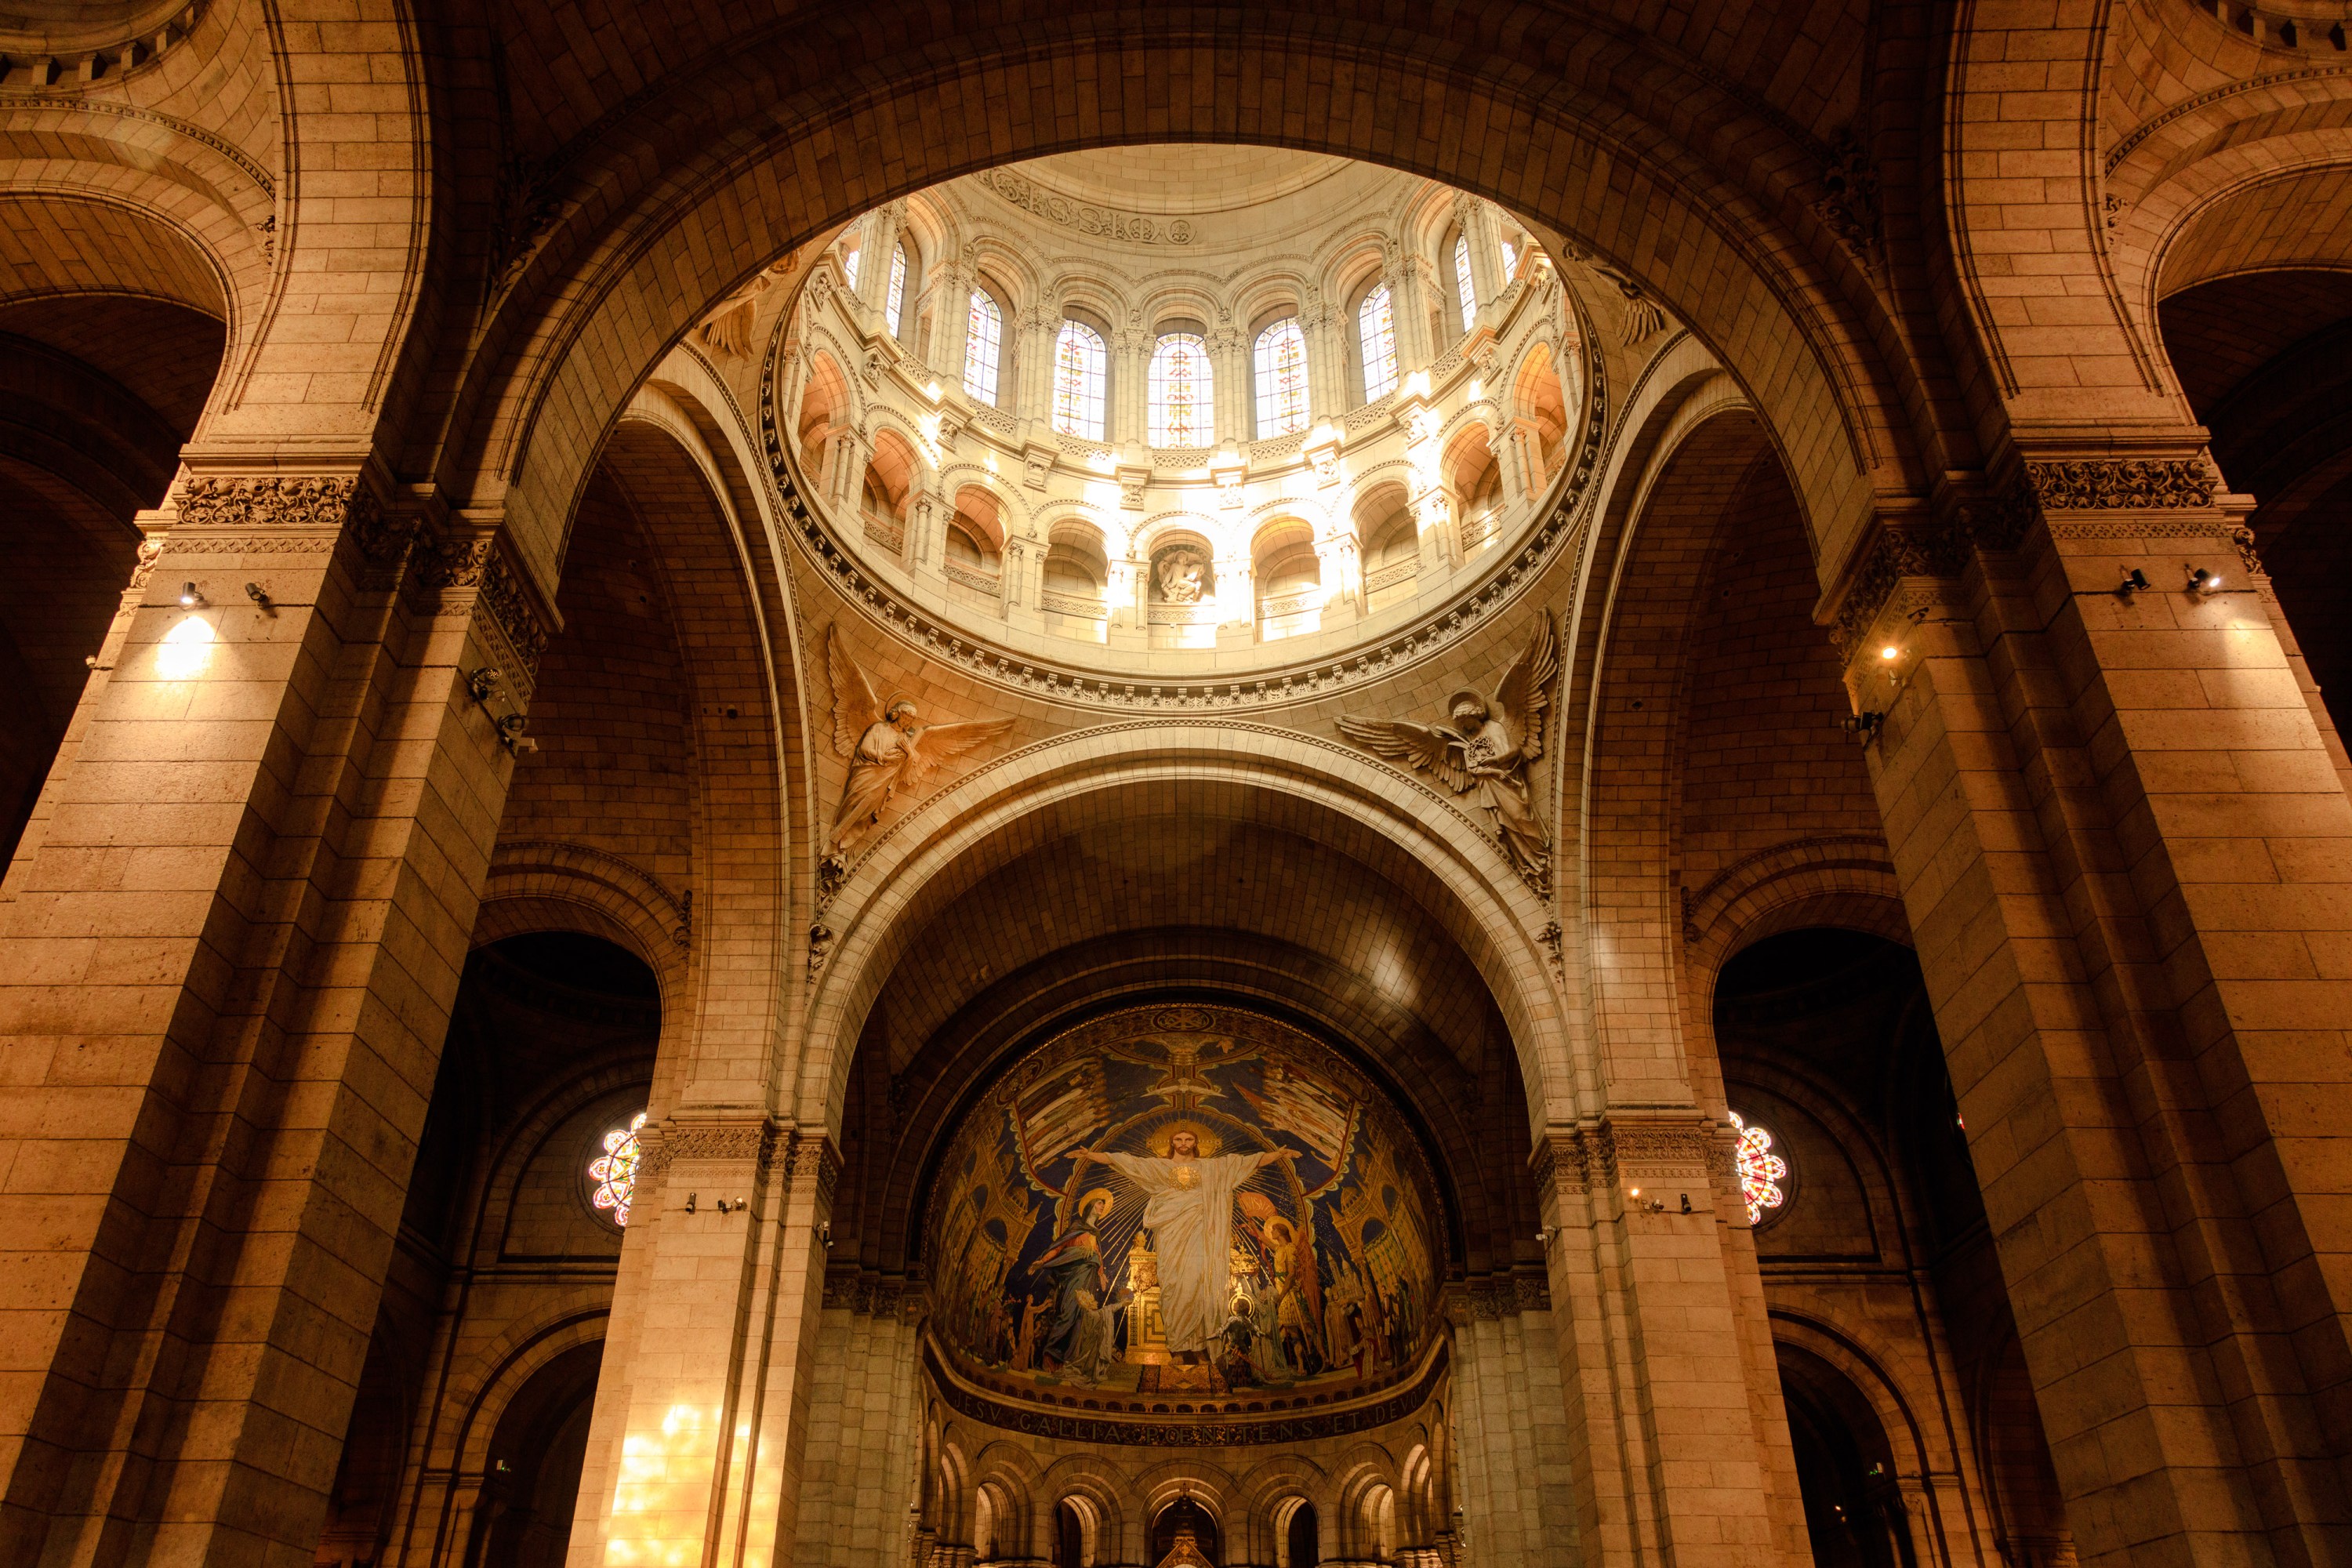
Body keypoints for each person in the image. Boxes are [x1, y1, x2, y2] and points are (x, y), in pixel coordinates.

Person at [1083, 1128, 1294, 1357]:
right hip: (1170, 1237)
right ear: (1172, 1143)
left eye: (1189, 1139)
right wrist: (1091, 1155)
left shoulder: (1212, 1168)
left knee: (1198, 1285)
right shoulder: (1160, 1168)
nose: (1183, 1142)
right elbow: (1128, 1163)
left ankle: (1200, 1348)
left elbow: (1247, 1163)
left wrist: (1277, 1155)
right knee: (1172, 1288)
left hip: (1198, 1236)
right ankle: (1177, 1348)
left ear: (1195, 1143)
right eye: (1178, 1139)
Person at [1031, 1189, 1115, 1374]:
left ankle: (1067, 1360)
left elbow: (1097, 1254)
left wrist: (1101, 1274)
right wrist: (1043, 1261)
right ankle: (1050, 1354)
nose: (1102, 1207)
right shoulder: (1077, 1227)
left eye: (1103, 1205)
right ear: (1091, 1205)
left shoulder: (1096, 1233)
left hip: (1089, 1278)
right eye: (1100, 1203)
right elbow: (1059, 1247)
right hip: (1074, 1276)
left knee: (1081, 1319)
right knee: (1068, 1313)